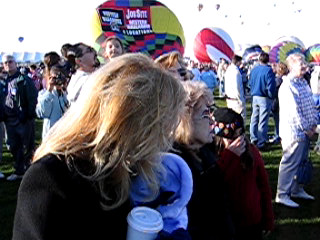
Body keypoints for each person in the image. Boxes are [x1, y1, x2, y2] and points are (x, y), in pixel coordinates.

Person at [12, 53, 187, 240]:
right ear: (128, 122)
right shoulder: (50, 177)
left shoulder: (128, 168)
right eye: (160, 125)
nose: (166, 136)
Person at [173, 80, 235, 240]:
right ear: (185, 120)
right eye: (205, 114)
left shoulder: (205, 151)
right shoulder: (176, 168)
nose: (213, 122)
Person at [213, 107, 274, 240]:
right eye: (232, 138)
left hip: (253, 221)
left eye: (240, 136)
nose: (238, 142)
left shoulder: (251, 152)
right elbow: (214, 181)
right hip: (228, 221)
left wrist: (268, 218)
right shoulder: (215, 157)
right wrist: (229, 156)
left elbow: (264, 186)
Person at [275, 53, 318, 208]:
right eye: (301, 64)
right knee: (290, 163)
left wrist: (313, 125)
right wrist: (308, 128)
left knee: (301, 163)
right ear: (292, 67)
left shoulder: (302, 82)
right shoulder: (288, 86)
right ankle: (282, 194)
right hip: (294, 132)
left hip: (306, 131)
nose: (305, 66)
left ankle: (296, 189)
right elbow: (294, 112)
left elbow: (309, 105)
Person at [0, 55, 38, 181]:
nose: (8, 64)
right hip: (9, 120)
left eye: (10, 62)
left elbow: (33, 98)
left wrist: (28, 114)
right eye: (5, 63)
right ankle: (19, 170)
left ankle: (30, 172)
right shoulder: (4, 81)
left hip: (22, 119)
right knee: (12, 145)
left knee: (27, 146)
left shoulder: (24, 79)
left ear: (15, 63)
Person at [249, 52, 276, 150]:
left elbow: (250, 82)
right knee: (263, 120)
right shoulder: (268, 71)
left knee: (254, 118)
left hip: (255, 95)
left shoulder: (254, 70)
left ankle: (253, 138)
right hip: (264, 97)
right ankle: (261, 141)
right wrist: (271, 96)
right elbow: (271, 85)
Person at [36, 65, 69, 139]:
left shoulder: (67, 94)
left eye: (61, 78)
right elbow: (42, 113)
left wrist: (65, 90)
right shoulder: (43, 94)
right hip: (51, 136)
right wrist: (49, 90)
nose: (58, 80)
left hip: (66, 134)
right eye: (55, 78)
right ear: (49, 78)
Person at [270, 62, 288, 144]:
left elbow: (273, 91)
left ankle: (278, 136)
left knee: (278, 121)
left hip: (277, 103)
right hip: (282, 103)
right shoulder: (287, 79)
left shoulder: (278, 80)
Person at [224, 54, 246, 121]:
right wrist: (241, 100)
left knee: (231, 120)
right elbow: (237, 88)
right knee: (240, 120)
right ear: (238, 62)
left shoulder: (228, 70)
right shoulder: (236, 72)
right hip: (236, 99)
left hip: (229, 98)